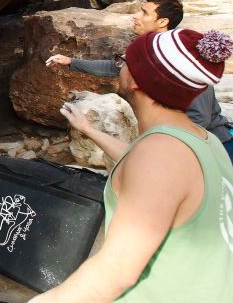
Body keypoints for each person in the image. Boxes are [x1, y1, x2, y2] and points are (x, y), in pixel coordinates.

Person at [30, 28, 233, 302]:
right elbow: (145, 163)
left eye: (123, 62)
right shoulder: (203, 139)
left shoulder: (158, 158)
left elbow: (117, 272)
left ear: (137, 80)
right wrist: (89, 129)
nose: (119, 67)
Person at [46, 0, 233, 162]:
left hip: (213, 150)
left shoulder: (179, 60)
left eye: (144, 12)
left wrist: (163, 148)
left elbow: (200, 116)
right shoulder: (152, 51)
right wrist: (71, 61)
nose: (136, 16)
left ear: (162, 22)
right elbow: (115, 67)